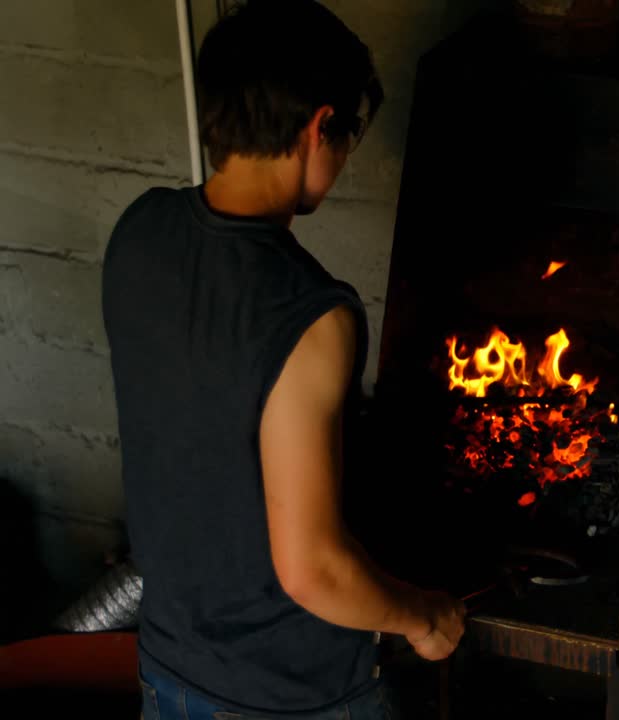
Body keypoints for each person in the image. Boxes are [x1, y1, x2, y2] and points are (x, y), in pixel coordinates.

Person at [102, 2, 464, 717]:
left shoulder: (138, 231)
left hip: (169, 669)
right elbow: (312, 570)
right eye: (347, 136)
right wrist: (422, 619)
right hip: (293, 696)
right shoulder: (309, 314)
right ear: (314, 128)